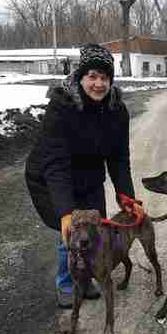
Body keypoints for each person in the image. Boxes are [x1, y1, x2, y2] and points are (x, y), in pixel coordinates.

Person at [25, 43, 143, 308]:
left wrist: (126, 196)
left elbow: (118, 158)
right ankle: (67, 283)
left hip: (89, 174)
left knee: (95, 228)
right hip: (49, 174)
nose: (98, 84)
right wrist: (66, 212)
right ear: (81, 77)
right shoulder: (61, 106)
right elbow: (55, 163)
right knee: (71, 231)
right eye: (92, 76)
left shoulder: (117, 111)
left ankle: (85, 276)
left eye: (104, 78)